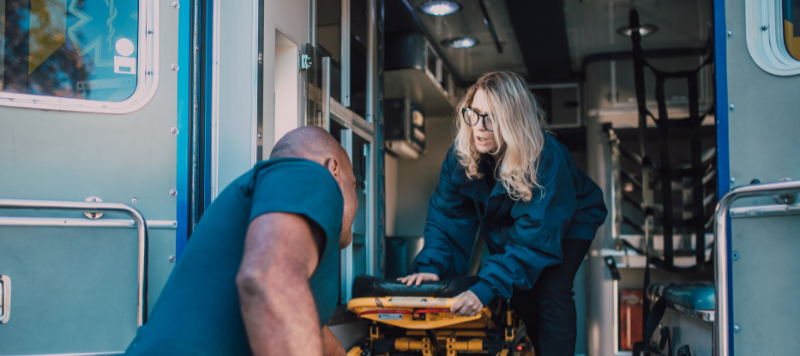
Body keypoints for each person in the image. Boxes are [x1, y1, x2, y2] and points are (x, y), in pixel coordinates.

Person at [398, 71, 608, 356]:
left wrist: (485, 289)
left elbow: (535, 235)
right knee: (520, 296)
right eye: (474, 114)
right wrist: (431, 268)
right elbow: (447, 216)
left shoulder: (544, 158)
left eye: (491, 118)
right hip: (522, 221)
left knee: (551, 291)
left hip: (572, 217)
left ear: (513, 121)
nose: (479, 128)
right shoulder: (462, 154)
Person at [125, 126, 358, 356]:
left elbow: (299, 323)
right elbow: (271, 280)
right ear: (334, 170)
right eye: (354, 185)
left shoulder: (275, 215)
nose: (357, 201)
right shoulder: (311, 175)